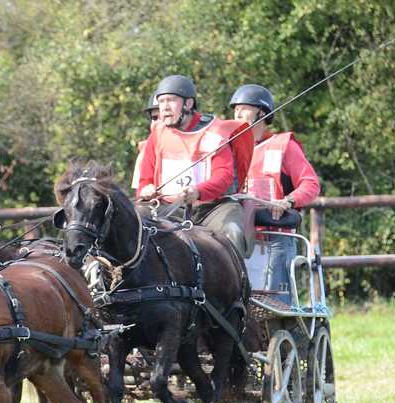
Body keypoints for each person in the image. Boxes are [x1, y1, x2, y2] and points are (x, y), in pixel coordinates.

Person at [137, 75, 254, 257]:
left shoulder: (215, 132)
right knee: (135, 220)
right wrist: (146, 188)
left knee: (233, 232)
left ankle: (237, 275)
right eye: (161, 101)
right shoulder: (157, 134)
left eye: (171, 100)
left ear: (188, 104)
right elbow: (145, 179)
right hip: (171, 208)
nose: (164, 107)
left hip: (213, 208)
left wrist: (198, 192)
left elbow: (223, 176)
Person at [229, 84, 320, 300]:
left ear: (261, 113)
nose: (238, 114)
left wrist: (287, 201)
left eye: (244, 108)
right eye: (236, 109)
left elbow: (310, 184)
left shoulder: (283, 146)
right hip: (237, 235)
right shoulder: (229, 148)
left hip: (274, 236)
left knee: (274, 302)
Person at [130, 92, 160, 195]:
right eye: (154, 118)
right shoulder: (143, 154)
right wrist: (145, 191)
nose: (158, 122)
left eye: (163, 117)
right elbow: (139, 196)